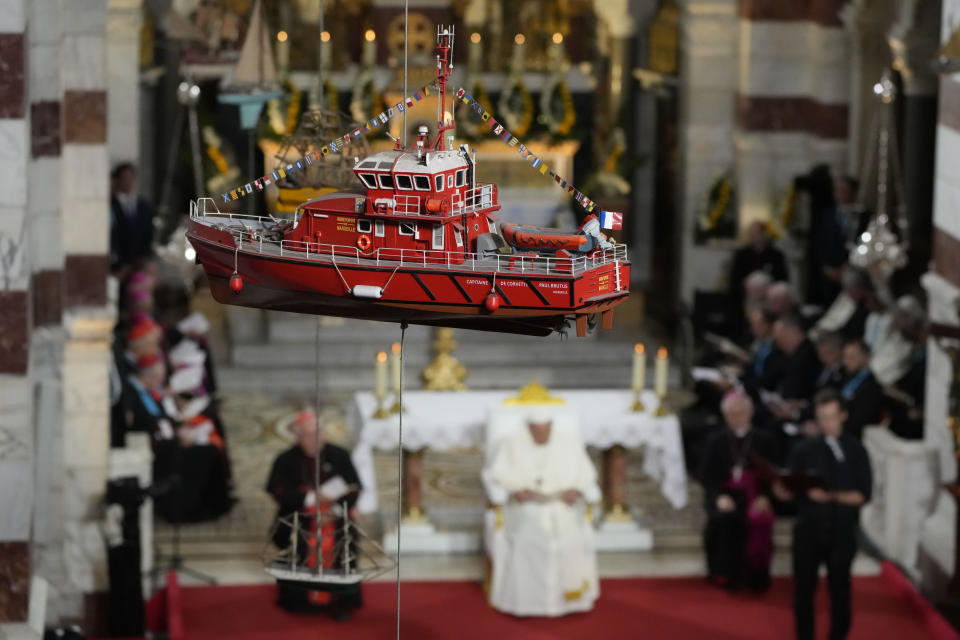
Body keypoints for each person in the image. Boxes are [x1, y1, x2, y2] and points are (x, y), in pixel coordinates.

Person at [482, 408, 601, 616]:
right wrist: (515, 489)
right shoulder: (511, 443)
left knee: (568, 539)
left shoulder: (568, 442)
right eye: (537, 431)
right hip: (525, 507)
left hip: (561, 505)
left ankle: (568, 601)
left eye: (546, 430)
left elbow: (586, 474)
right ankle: (527, 603)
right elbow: (497, 473)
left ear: (552, 427)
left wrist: (576, 489)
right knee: (530, 538)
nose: (542, 435)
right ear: (529, 428)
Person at [776, 389, 872, 640]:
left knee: (840, 590)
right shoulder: (804, 450)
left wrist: (830, 496)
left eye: (831, 417)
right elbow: (787, 494)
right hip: (808, 530)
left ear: (843, 415)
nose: (826, 423)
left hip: (841, 532)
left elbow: (863, 495)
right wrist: (780, 486)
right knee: (803, 591)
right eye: (822, 418)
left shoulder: (856, 450)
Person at [265, 410, 362, 620]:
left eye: (318, 433)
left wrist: (334, 511)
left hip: (336, 517)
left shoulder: (340, 455)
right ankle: (298, 600)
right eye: (308, 435)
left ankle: (342, 602)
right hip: (298, 518)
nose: (314, 439)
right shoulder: (285, 459)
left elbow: (354, 488)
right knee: (295, 540)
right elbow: (277, 490)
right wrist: (311, 499)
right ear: (298, 436)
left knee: (343, 543)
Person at [699, 392, 778, 591]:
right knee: (723, 518)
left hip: (755, 494)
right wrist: (719, 497)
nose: (736, 419)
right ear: (725, 416)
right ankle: (725, 573)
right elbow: (708, 476)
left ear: (750, 413)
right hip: (725, 494)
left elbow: (775, 476)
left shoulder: (765, 440)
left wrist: (765, 497)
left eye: (740, 413)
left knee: (759, 518)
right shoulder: (715, 440)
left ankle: (756, 576)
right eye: (731, 415)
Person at [729, 222, 789, 316]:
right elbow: (734, 281)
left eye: (756, 233)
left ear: (764, 234)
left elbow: (783, 280)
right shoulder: (742, 255)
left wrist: (768, 287)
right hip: (747, 301)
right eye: (751, 234)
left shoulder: (776, 255)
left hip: (770, 301)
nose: (753, 236)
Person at [110, 163, 155, 273]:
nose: (128, 182)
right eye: (125, 178)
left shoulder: (142, 205)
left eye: (131, 178)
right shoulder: (112, 204)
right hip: (119, 263)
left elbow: (148, 231)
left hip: (139, 261)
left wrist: (144, 256)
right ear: (118, 180)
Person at [838, 340, 883, 440]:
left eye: (852, 357)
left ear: (866, 358)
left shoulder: (870, 387)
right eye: (845, 357)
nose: (846, 362)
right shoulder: (846, 378)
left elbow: (861, 423)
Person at [811, 268, 872, 341]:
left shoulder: (865, 306)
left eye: (850, 291)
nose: (848, 294)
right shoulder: (846, 297)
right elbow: (833, 314)